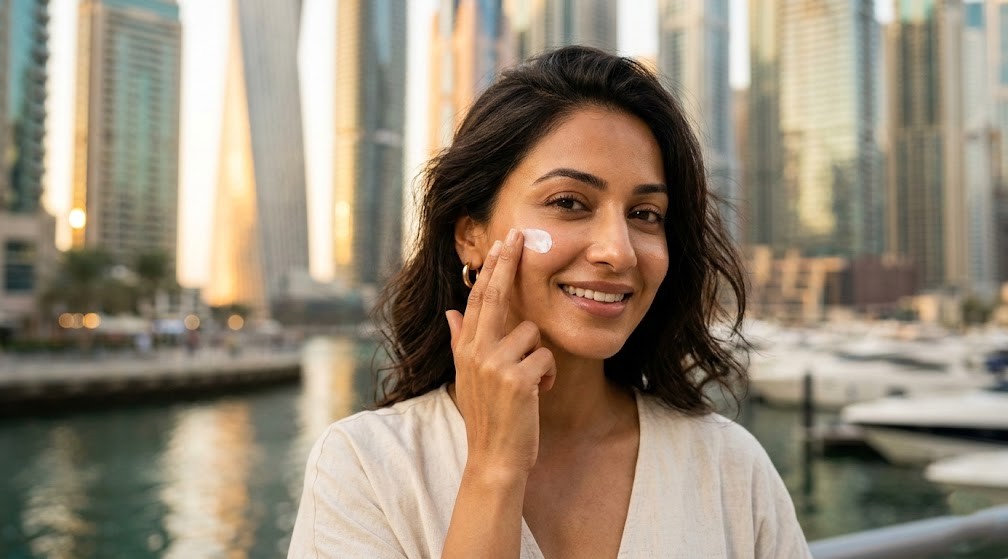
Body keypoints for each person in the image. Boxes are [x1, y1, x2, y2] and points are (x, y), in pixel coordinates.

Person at [289, 46, 810, 558]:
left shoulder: (729, 466)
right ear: (470, 234)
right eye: (568, 203)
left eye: (646, 213)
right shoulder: (364, 467)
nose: (617, 250)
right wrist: (494, 470)